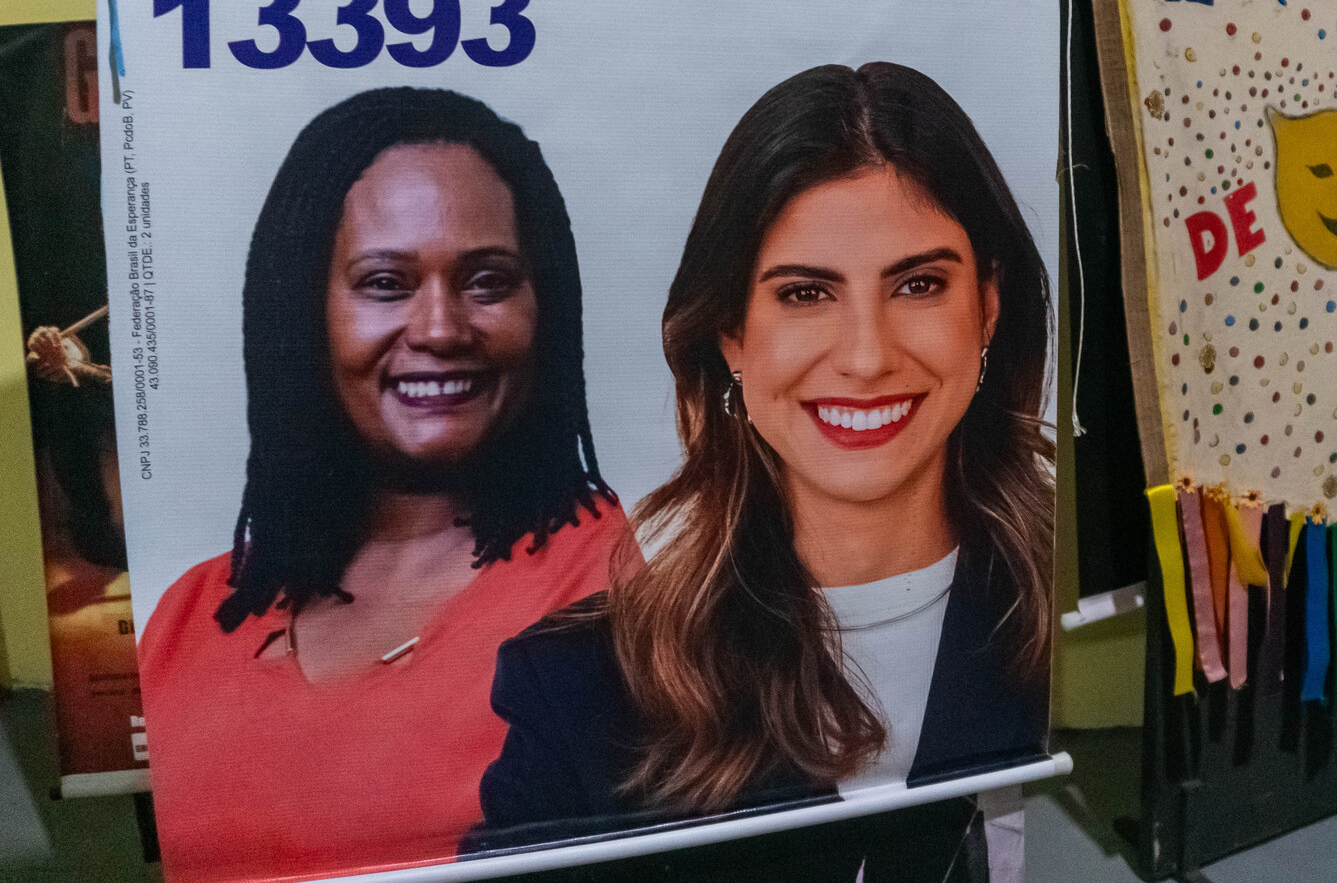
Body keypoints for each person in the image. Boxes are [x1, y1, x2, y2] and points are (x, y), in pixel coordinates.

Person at [473, 62, 1053, 864]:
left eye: (918, 284)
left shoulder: (1107, 624)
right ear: (730, 334)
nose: (865, 356)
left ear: (987, 306)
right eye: (805, 294)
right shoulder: (580, 692)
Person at [139, 88, 635, 883]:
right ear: (304, 312)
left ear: (546, 308)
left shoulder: (629, 593)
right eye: (383, 283)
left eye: (486, 280)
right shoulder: (185, 622)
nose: (440, 328)